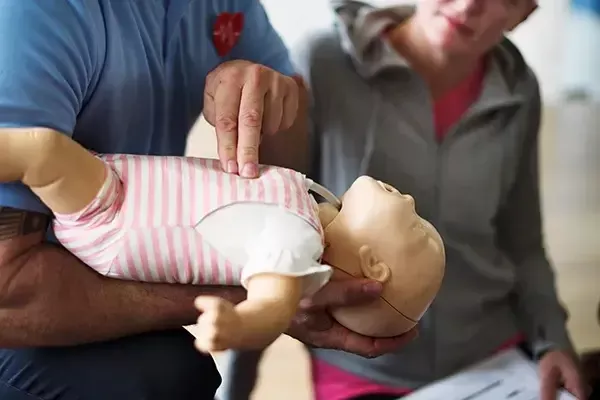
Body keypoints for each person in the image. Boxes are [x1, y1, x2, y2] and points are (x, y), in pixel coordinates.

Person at [0, 1, 415, 399]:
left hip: (101, 220)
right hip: (46, 266)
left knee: (171, 371)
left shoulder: (296, 237)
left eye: (416, 230)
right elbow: (7, 294)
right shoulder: (35, 14)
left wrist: (267, 104)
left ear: (371, 263)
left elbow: (288, 131)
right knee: (164, 374)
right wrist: (241, 298)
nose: (412, 202)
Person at [220, 0, 589, 399]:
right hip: (362, 364)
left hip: (493, 355)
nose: (468, 6)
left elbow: (524, 243)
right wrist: (235, 386)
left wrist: (554, 342)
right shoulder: (323, 63)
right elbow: (269, 235)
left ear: (525, 14)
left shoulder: (520, 90)